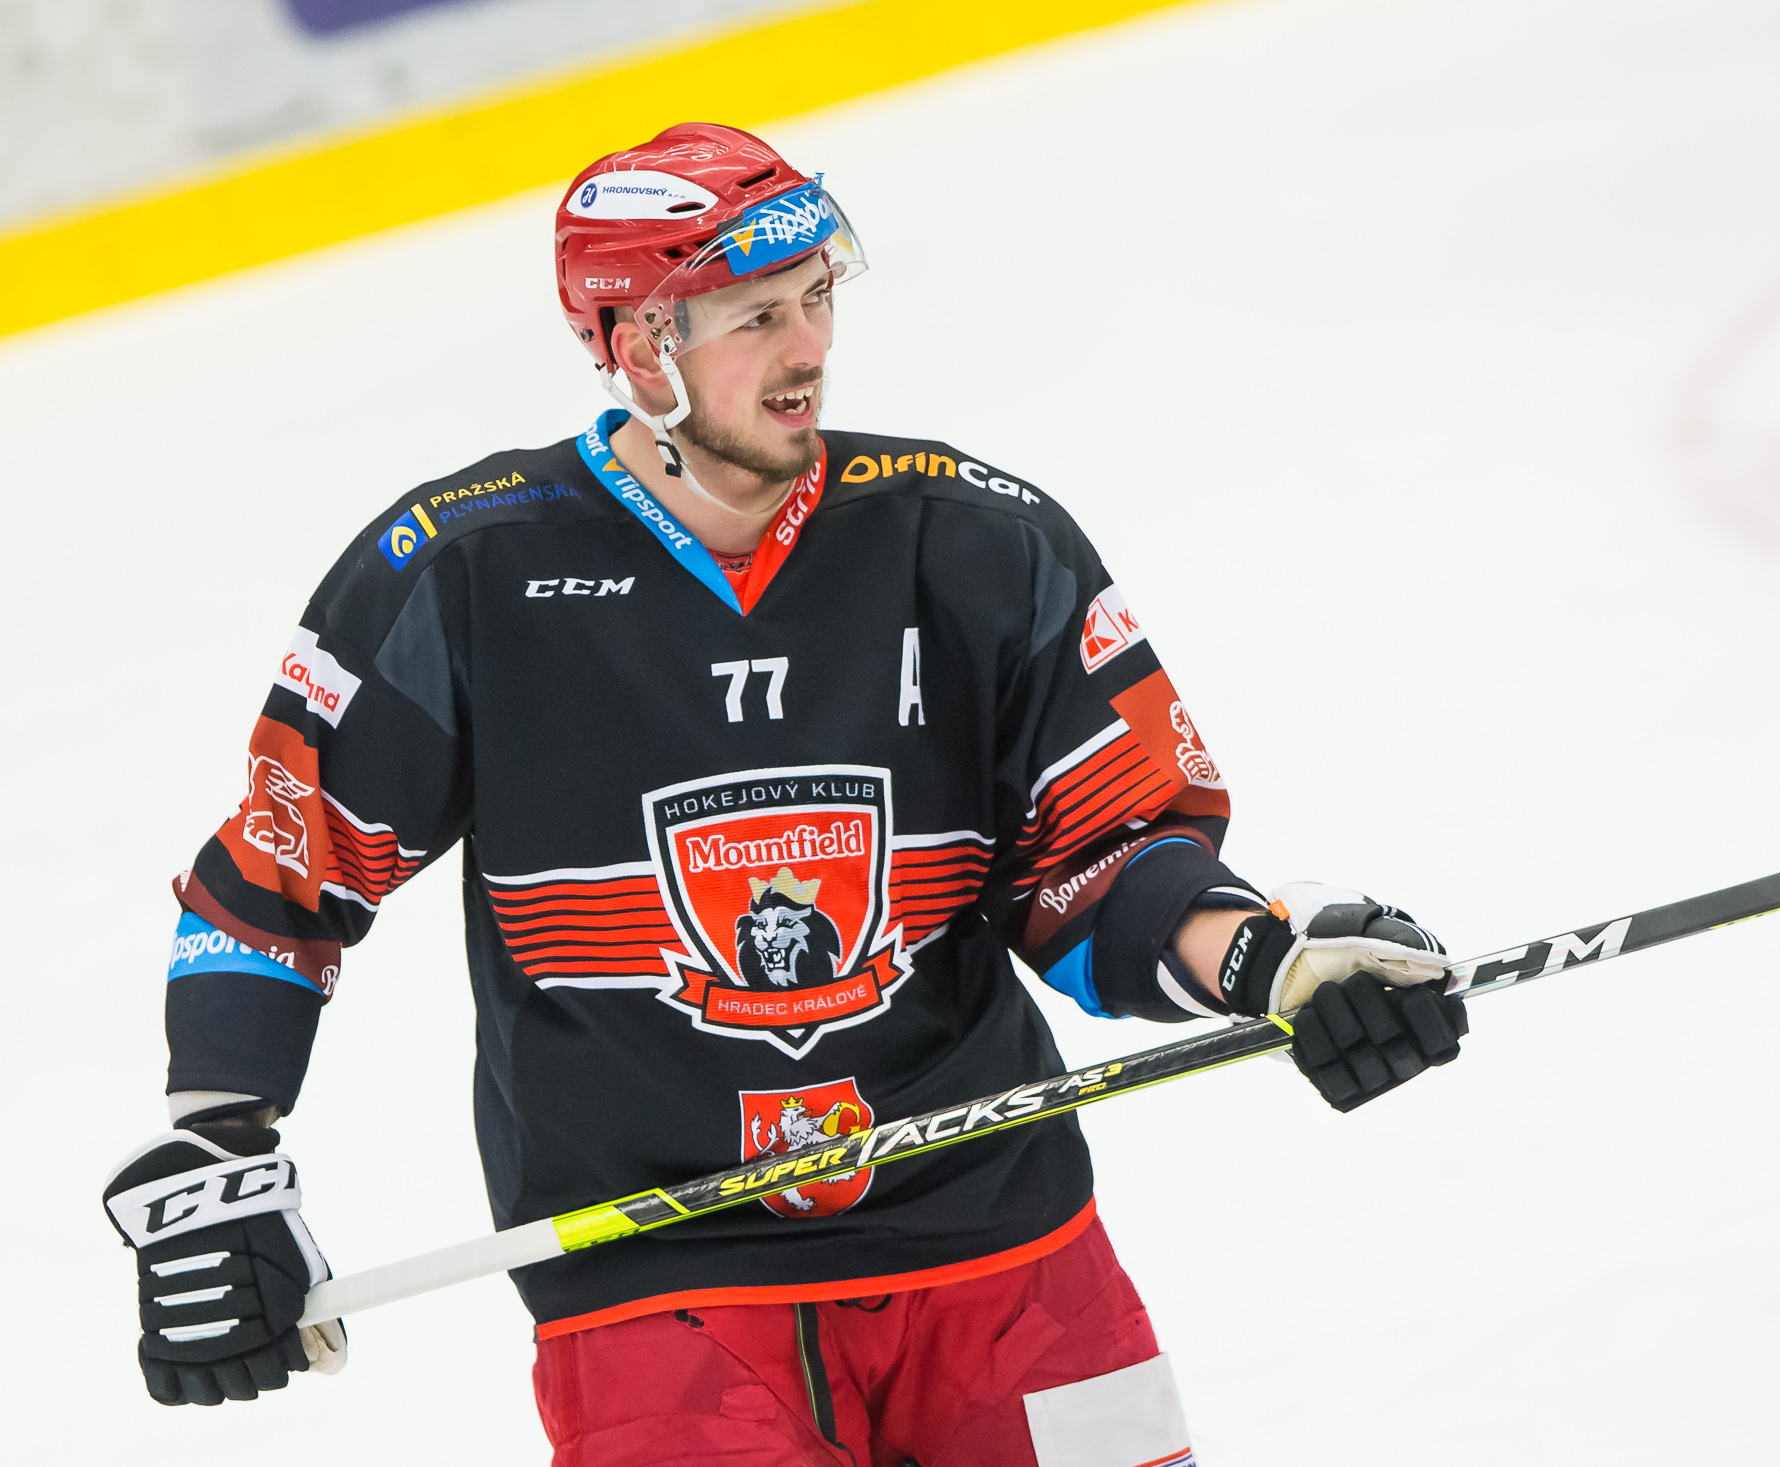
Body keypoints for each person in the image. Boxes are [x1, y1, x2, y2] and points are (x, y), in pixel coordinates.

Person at [101, 123, 1468, 1466]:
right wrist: (217, 1156)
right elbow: (280, 877)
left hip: (1005, 1248)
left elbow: (1099, 864)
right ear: (639, 345)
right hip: (659, 1292)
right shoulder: (462, 574)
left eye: (816, 298)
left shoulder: (975, 541)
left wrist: (1274, 963)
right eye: (757, 316)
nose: (807, 347)